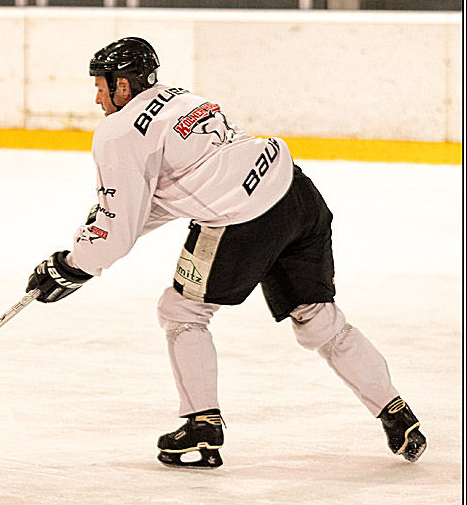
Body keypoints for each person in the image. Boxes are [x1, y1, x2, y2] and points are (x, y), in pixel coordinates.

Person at [25, 36, 426, 468]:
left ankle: (202, 426)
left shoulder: (119, 131)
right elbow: (156, 202)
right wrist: (84, 254)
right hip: (296, 194)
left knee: (181, 312)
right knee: (317, 317)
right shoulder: (183, 99)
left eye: (101, 85)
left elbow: (119, 225)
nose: (96, 96)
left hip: (242, 220)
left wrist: (74, 265)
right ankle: (396, 412)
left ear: (123, 85)